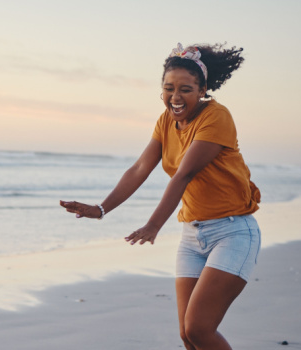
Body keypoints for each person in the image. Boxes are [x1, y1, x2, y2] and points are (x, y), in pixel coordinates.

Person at [60, 43, 260, 350]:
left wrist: (153, 225)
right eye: (169, 89)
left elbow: (184, 174)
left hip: (232, 233)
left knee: (199, 329)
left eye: (185, 89)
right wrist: (101, 209)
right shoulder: (166, 120)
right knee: (186, 335)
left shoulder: (217, 117)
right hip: (193, 236)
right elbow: (141, 167)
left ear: (202, 89)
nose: (175, 97)